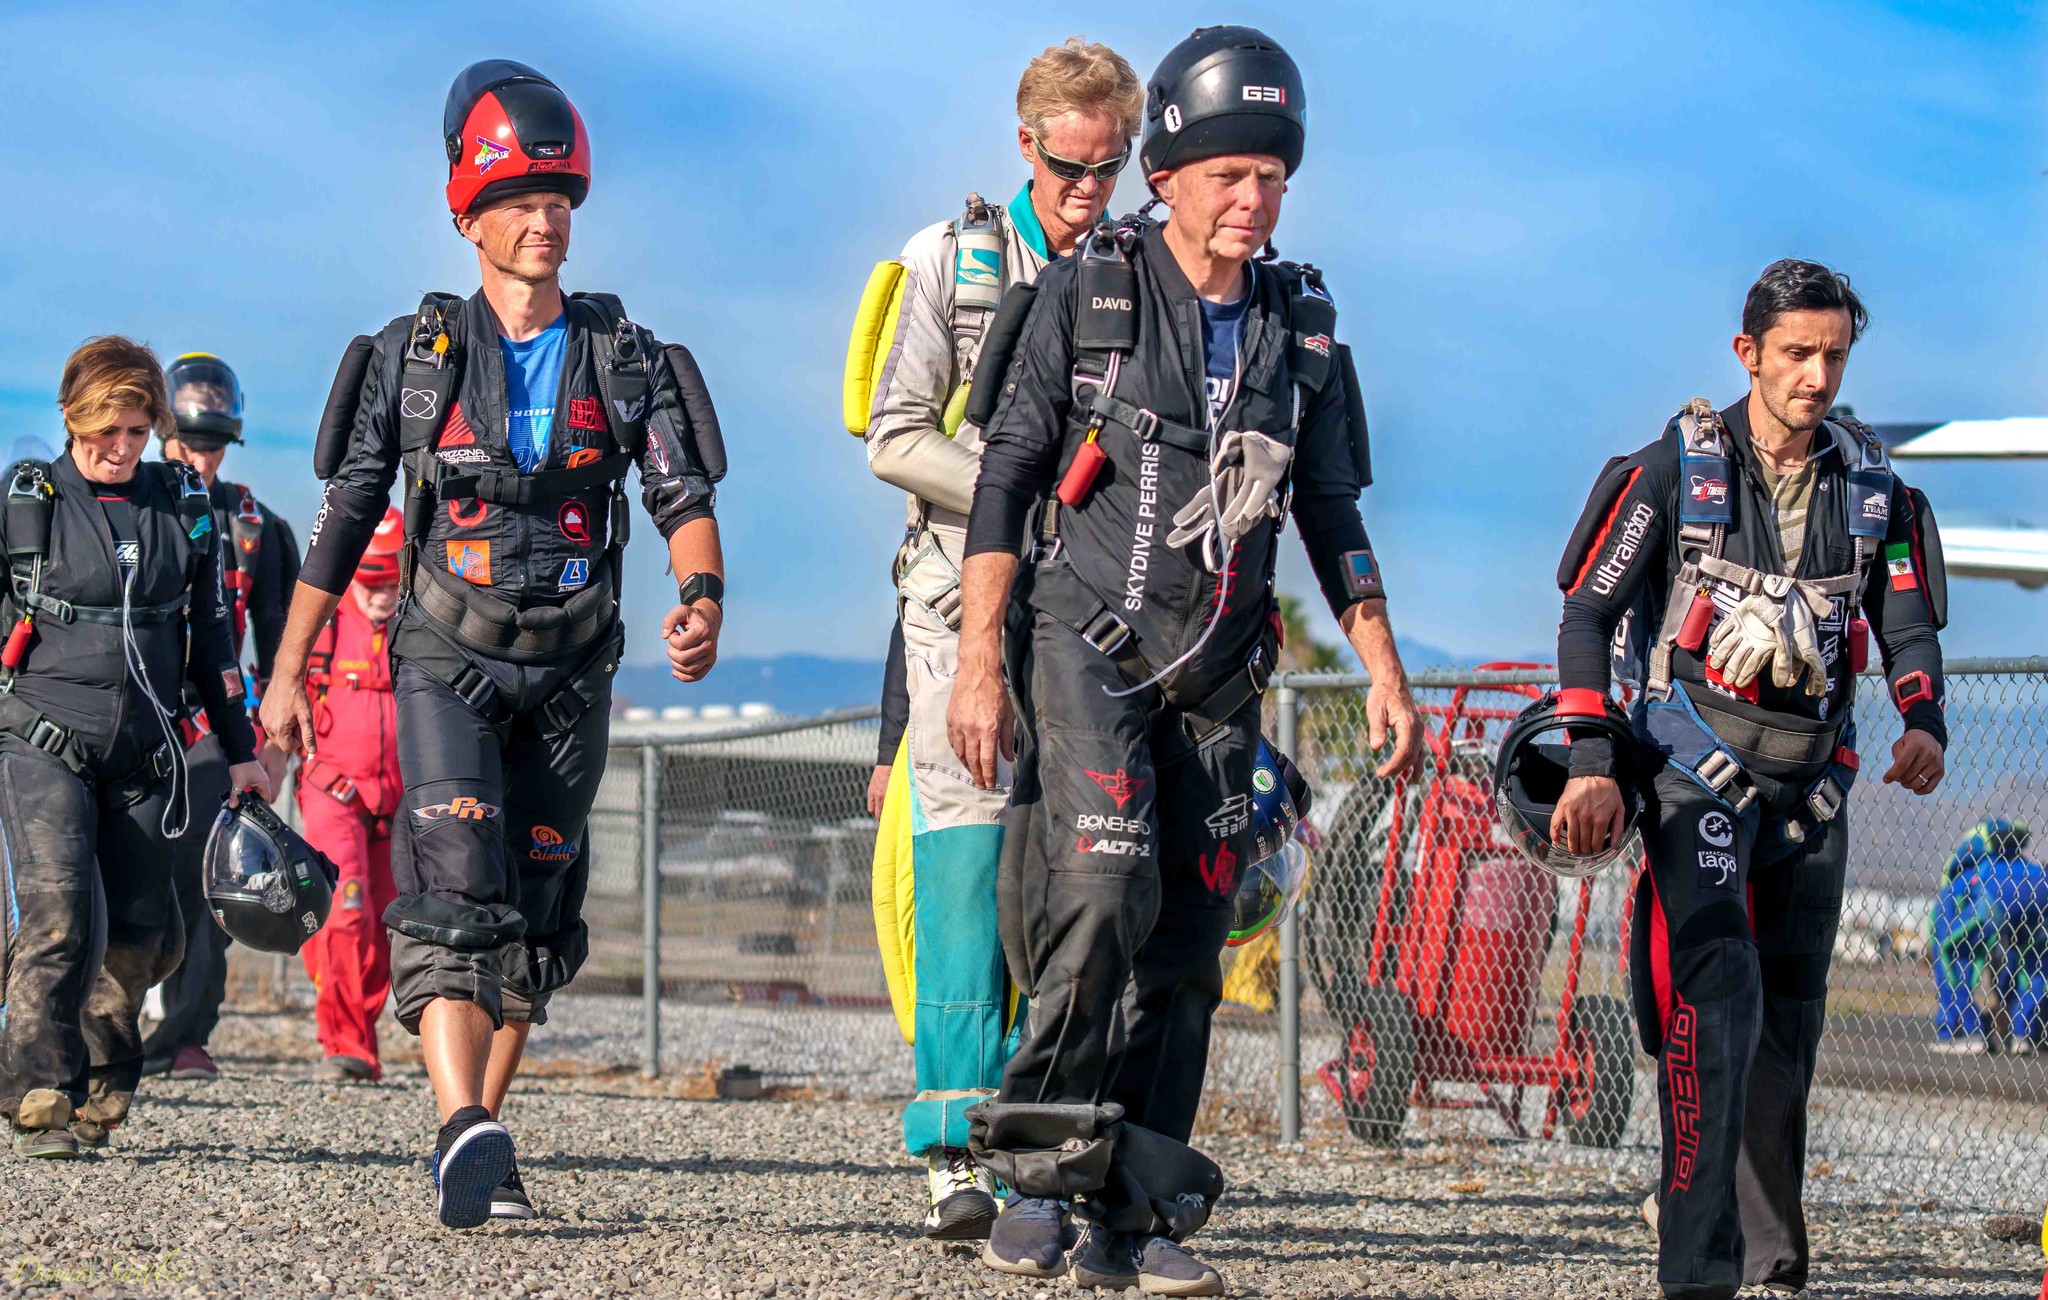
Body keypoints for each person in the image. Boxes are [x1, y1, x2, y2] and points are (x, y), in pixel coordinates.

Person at [946, 27, 1422, 1293]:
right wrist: (975, 662)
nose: (1249, 200)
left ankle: (1134, 1209)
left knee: (1188, 950)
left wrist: (1380, 665)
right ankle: (1035, 1173)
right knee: (1098, 897)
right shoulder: (1085, 298)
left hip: (1217, 678)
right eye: (1226, 174)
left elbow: (1331, 514)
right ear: (1166, 174)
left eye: (1270, 175)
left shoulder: (1300, 331)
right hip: (1082, 646)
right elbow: (1001, 485)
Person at [259, 60, 728, 1228]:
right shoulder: (411, 360)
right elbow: (343, 517)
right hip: (443, 659)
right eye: (519, 200)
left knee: (538, 917)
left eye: (559, 199)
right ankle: (461, 1124)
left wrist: (702, 595)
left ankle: (483, 1133)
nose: (545, 221)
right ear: (466, 213)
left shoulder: (624, 359)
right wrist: (286, 673)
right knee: (454, 896)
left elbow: (680, 497)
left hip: (573, 669)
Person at [1548, 259, 1949, 1299]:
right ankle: (1698, 1270)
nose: (1815, 376)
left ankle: (1770, 1267)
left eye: (1833, 356)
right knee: (1711, 1005)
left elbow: (1903, 624)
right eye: (1795, 355)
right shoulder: (1671, 469)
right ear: (1747, 353)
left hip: (1813, 794)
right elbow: (1587, 615)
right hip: (1691, 779)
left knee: (1787, 1032)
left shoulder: (1875, 490)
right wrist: (1592, 761)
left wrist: (1922, 721)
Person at [854, 34, 1143, 1240]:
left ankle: (1058, 1139)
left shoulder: (1145, 277)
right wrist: (1009, 486)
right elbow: (890, 432)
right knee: (967, 875)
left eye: (1109, 168)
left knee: (1083, 879)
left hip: (1094, 615)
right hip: (953, 610)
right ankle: (951, 1149)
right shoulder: (953, 261)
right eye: (1069, 167)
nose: (1087, 192)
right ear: (1024, 143)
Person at [0, 336, 273, 1158]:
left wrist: (242, 748)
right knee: (58, 917)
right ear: (72, 419)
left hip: (146, 749)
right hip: (42, 740)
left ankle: (107, 1080)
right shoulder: (30, 502)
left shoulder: (182, 502)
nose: (120, 449)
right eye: (103, 433)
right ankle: (38, 1089)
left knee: (150, 929)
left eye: (135, 431)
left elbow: (215, 639)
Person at [141, 351, 301, 1083]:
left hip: (215, 729)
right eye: (187, 443)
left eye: (212, 447)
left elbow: (281, 645)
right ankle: (95, 1027)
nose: (199, 459)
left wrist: (273, 747)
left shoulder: (258, 529)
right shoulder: (130, 509)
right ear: (160, 438)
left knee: (207, 876)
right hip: (131, 718)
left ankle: (185, 1032)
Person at [294, 508, 406, 1085]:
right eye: (371, 581)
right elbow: (283, 700)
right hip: (334, 793)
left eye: (393, 581)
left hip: (401, 806)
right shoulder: (324, 625)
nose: (383, 594)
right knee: (345, 918)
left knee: (389, 926)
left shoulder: (419, 626)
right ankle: (345, 1043)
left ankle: (360, 1033)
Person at [1931, 819, 2048, 1056]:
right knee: (2035, 961)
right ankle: (2023, 1032)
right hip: (2040, 888)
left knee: (1952, 951)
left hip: (1990, 893)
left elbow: (1943, 938)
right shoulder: (2028, 868)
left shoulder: (1964, 878)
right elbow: (2011, 965)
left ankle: (1965, 1030)